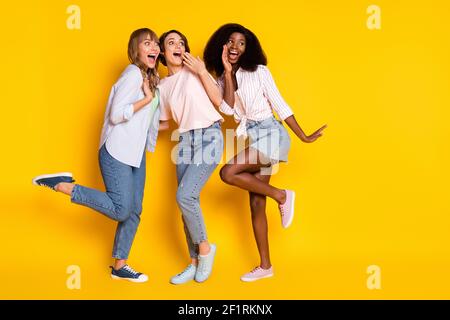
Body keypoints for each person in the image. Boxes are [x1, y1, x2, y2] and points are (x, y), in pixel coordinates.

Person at [32, 28, 163, 283]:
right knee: (121, 208)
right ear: (135, 49)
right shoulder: (132, 74)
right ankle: (64, 185)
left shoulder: (150, 79)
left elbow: (147, 120)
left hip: (135, 153)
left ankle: (120, 267)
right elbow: (117, 114)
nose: (154, 48)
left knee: (134, 210)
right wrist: (146, 100)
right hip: (117, 149)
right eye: (147, 43)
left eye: (156, 44)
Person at [203, 23, 327, 282]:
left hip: (271, 133)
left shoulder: (259, 71)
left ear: (248, 49)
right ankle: (266, 266)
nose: (236, 46)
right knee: (256, 204)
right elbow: (227, 110)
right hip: (253, 137)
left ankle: (282, 196)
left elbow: (280, 104)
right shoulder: (221, 77)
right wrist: (227, 73)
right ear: (223, 46)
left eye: (242, 43)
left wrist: (303, 136)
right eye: (231, 41)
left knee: (228, 172)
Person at [157, 30, 224, 284]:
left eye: (181, 42)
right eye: (171, 43)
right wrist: (135, 125)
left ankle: (205, 249)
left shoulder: (196, 70)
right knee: (186, 203)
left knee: (185, 195)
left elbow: (218, 101)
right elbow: (164, 123)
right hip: (184, 141)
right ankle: (193, 262)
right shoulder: (162, 87)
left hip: (209, 135)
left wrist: (201, 70)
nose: (178, 45)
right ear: (163, 52)